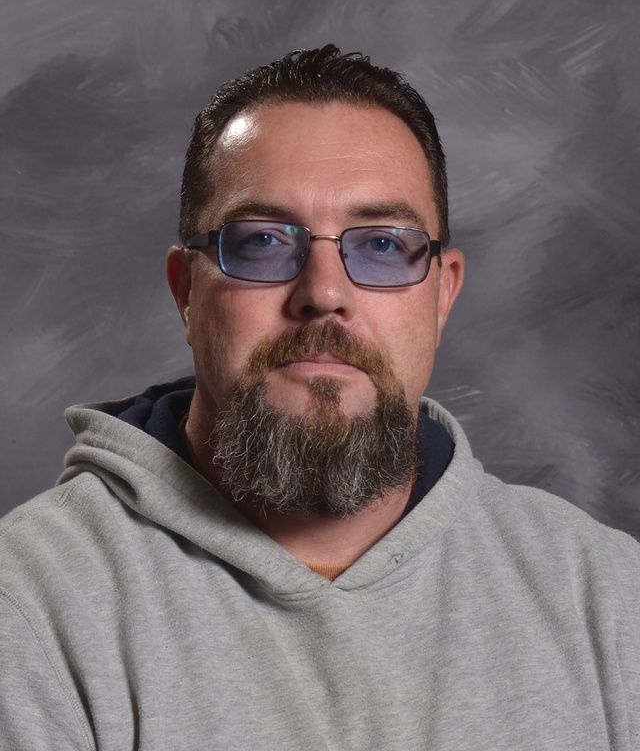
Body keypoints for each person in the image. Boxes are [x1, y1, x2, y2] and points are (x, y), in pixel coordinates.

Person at [0, 45, 638, 751]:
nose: (325, 293)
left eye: (384, 246)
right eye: (264, 240)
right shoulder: (29, 606)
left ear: (443, 294)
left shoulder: (608, 601)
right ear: (187, 293)